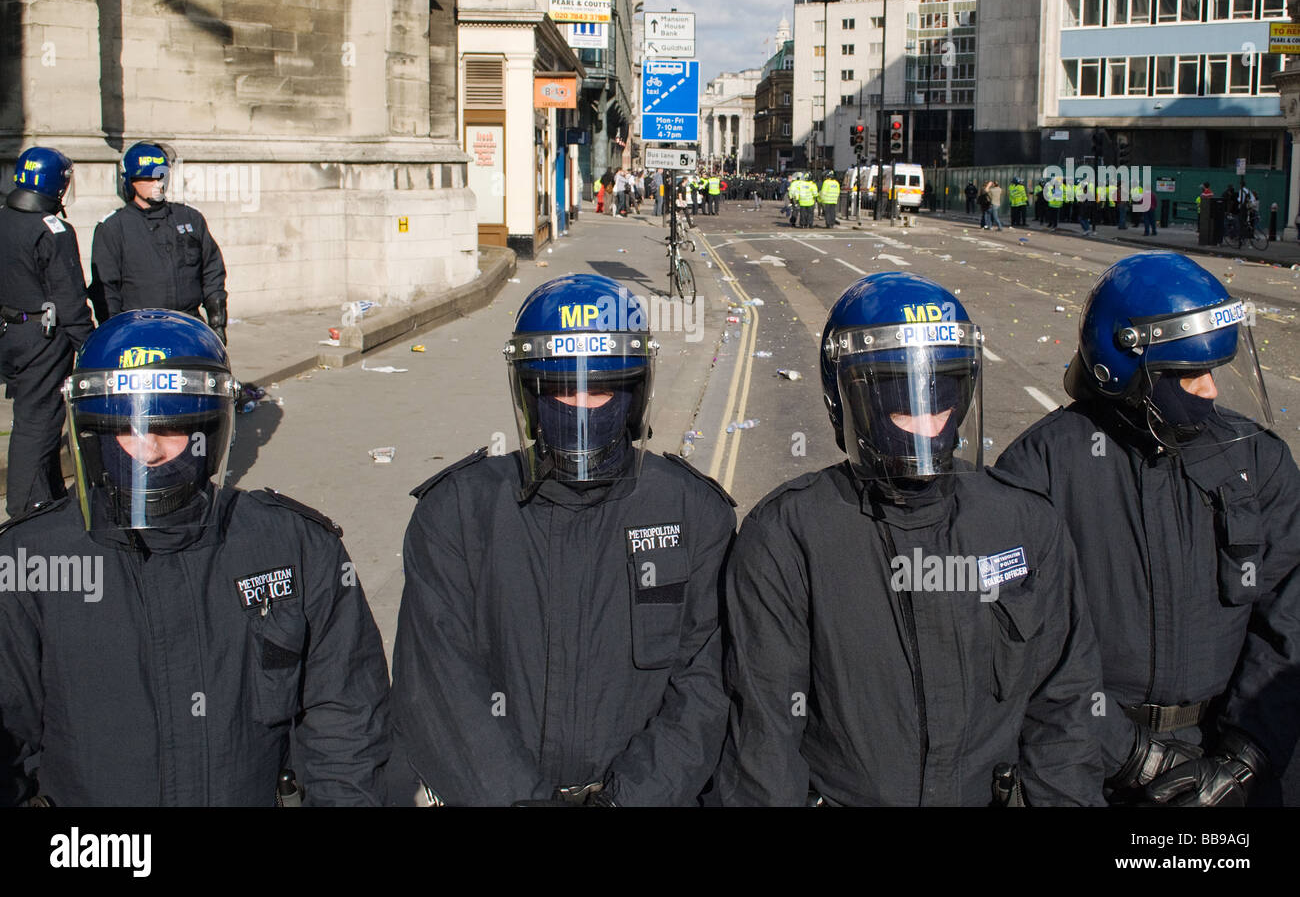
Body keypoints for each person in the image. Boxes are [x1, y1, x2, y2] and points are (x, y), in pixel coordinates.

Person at [716, 272, 1105, 806]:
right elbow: (766, 745)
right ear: (845, 398)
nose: (925, 416)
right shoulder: (787, 537)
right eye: (897, 391)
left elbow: (1064, 709)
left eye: (941, 387)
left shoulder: (1023, 523)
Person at [0, 309, 390, 806]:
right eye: (128, 431)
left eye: (173, 430)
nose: (151, 451)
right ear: (93, 433)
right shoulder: (31, 562)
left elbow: (347, 723)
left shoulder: (291, 545)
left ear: (212, 433)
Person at [389, 274, 735, 806]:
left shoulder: (692, 512)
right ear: (529, 394)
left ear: (634, 393)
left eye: (600, 388)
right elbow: (440, 690)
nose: (580, 406)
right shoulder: (458, 512)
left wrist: (629, 800)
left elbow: (704, 685)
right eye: (561, 389)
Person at [997, 253, 1300, 806]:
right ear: (1127, 371)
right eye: (1189, 375)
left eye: (1213, 372)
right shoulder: (1040, 470)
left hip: (1234, 759)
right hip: (1087, 762)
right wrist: (1130, 751)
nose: (1209, 391)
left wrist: (1247, 754)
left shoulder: (1256, 460)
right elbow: (1019, 646)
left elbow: (1289, 617)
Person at [0, 147, 95, 516]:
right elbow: (70, 299)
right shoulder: (52, 230)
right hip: (43, 337)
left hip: (10, 332)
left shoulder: (5, 218)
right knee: (38, 420)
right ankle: (24, 507)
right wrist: (88, 343)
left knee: (34, 414)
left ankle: (49, 492)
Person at [89, 142, 228, 344]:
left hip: (188, 327)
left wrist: (217, 322)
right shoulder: (113, 227)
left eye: (161, 176)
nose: (157, 184)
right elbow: (106, 289)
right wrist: (114, 334)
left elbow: (212, 271)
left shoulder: (189, 218)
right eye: (148, 178)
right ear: (130, 181)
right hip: (138, 330)